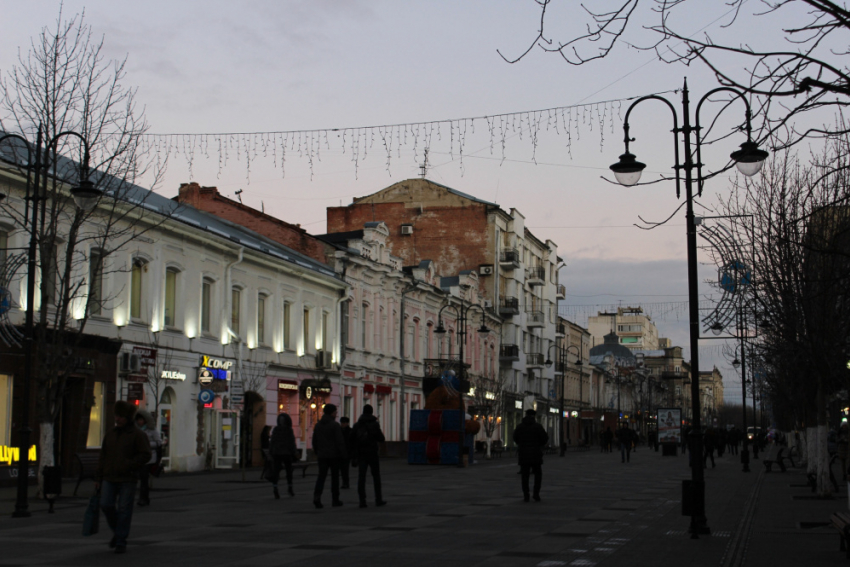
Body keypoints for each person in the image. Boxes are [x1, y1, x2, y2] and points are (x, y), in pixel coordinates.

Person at [95, 400, 152, 554]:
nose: (117, 419)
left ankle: (120, 540)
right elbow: (103, 455)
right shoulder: (111, 434)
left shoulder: (137, 434)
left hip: (128, 477)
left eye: (120, 416)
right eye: (116, 416)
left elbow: (146, 454)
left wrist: (130, 464)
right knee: (106, 505)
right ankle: (118, 532)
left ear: (128, 418)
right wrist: (99, 476)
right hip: (109, 476)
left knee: (124, 509)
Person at [351, 404, 386, 508]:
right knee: (376, 477)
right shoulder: (374, 424)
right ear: (371, 412)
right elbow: (381, 438)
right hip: (372, 453)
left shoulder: (357, 425)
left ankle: (362, 501)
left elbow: (351, 439)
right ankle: (378, 499)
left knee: (361, 477)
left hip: (361, 454)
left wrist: (354, 454)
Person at [312, 404, 346, 508]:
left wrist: (318, 452)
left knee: (321, 477)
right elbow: (339, 441)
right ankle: (335, 500)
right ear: (332, 413)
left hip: (322, 456)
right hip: (334, 456)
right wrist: (343, 454)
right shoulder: (335, 425)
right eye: (335, 412)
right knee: (335, 478)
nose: (336, 414)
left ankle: (317, 497)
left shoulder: (318, 425)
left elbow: (314, 441)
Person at [513, 409, 548, 502]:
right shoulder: (538, 427)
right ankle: (536, 494)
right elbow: (545, 438)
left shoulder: (520, 427)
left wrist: (521, 444)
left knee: (525, 475)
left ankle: (526, 495)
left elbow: (515, 438)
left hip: (523, 454)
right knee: (538, 474)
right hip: (536, 454)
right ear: (534, 416)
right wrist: (539, 445)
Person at [134, 410, 162, 507]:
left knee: (144, 479)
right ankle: (142, 498)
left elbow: (158, 442)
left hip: (149, 458)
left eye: (141, 420)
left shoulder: (151, 430)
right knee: (139, 478)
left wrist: (147, 445)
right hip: (138, 457)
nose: (139, 422)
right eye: (138, 420)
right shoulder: (136, 430)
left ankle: (144, 498)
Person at [269, 413, 297, 499]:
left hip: (279, 453)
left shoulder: (277, 429)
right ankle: (287, 488)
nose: (281, 421)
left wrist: (271, 452)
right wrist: (294, 452)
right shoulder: (287, 430)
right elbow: (291, 442)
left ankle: (277, 488)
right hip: (284, 453)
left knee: (279, 471)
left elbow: (272, 441)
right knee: (286, 472)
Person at [339, 416, 353, 489]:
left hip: (347, 453)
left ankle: (345, 483)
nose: (342, 424)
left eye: (344, 423)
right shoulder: (339, 431)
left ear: (347, 423)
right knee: (342, 469)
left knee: (345, 469)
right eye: (341, 423)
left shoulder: (350, 431)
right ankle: (344, 482)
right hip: (340, 453)